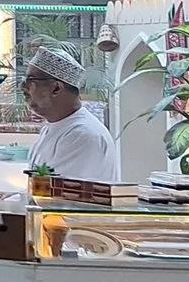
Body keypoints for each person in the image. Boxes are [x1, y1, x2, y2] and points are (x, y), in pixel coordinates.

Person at [24, 47, 118, 182]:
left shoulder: (82, 134)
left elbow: (61, 196)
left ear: (56, 88)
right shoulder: (53, 128)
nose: (22, 86)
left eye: (30, 80)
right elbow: (40, 192)